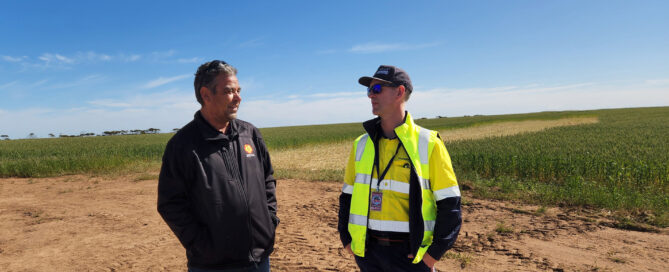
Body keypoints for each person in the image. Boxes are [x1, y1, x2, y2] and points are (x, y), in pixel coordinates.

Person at [338, 65, 462, 271]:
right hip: (368, 254)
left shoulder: (429, 143)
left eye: (377, 89)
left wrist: (432, 255)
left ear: (400, 92)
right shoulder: (361, 144)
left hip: (411, 256)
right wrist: (346, 239)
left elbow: (450, 204)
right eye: (368, 90)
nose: (370, 95)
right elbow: (347, 196)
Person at [158, 60, 278, 272]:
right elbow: (170, 203)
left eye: (239, 90)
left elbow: (267, 180)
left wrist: (270, 221)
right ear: (206, 95)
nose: (239, 98)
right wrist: (202, 245)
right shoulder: (183, 145)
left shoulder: (249, 134)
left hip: (260, 258)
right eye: (229, 91)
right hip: (213, 265)